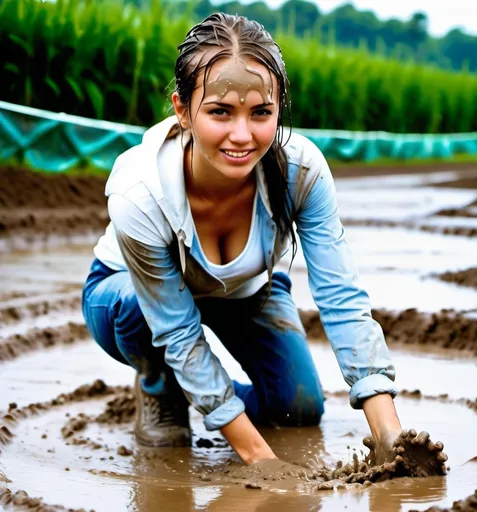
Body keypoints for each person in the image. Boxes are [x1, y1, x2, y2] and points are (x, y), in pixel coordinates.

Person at [82, 12, 403, 466]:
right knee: (145, 321)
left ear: (278, 109)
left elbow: (341, 296)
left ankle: (201, 390)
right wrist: (260, 459)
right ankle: (160, 386)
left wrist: (390, 435)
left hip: (245, 292)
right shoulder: (139, 192)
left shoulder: (301, 171)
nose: (242, 135)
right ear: (182, 110)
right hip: (130, 298)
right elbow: (176, 329)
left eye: (261, 113)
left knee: (299, 409)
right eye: (219, 111)